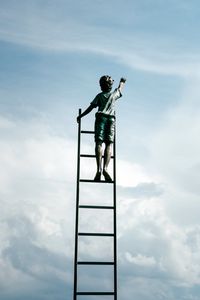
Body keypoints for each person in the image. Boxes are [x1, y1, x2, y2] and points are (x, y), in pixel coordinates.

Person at [77, 75, 126, 182]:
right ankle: (105, 168)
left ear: (101, 86)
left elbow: (90, 108)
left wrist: (81, 116)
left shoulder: (99, 96)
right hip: (111, 119)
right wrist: (122, 82)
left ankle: (98, 169)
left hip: (101, 118)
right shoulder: (114, 94)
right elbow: (120, 88)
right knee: (109, 144)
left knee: (99, 143)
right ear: (110, 85)